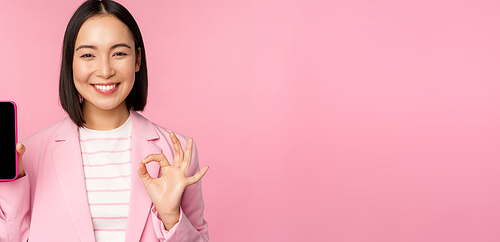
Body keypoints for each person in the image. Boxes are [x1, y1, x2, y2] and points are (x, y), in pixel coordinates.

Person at [0, 0, 209, 241]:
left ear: (137, 60)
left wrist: (171, 217)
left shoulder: (177, 154)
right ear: (70, 62)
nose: (105, 70)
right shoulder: (28, 157)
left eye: (119, 53)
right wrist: (11, 183)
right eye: (88, 55)